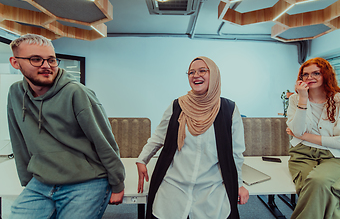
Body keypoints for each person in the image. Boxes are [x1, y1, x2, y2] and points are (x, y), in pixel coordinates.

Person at [7, 34, 125, 219]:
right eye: (36, 59)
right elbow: (18, 140)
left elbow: (104, 142)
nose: (46, 66)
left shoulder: (76, 92)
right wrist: (27, 181)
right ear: (15, 62)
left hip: (86, 180)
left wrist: (117, 183)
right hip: (41, 181)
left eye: (51, 60)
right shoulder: (15, 93)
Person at [136, 56, 249, 219]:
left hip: (211, 189)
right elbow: (159, 137)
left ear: (214, 75)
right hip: (174, 187)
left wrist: (239, 184)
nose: (196, 75)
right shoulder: (177, 106)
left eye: (202, 70)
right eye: (191, 72)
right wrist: (142, 159)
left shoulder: (228, 109)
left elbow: (236, 153)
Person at [286, 57, 340, 219]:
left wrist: (304, 136)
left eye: (316, 73)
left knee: (317, 182)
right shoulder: (295, 99)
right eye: (305, 74)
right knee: (318, 189)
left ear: (326, 75)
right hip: (302, 154)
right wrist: (303, 98)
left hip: (336, 156)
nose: (309, 77)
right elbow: (297, 129)